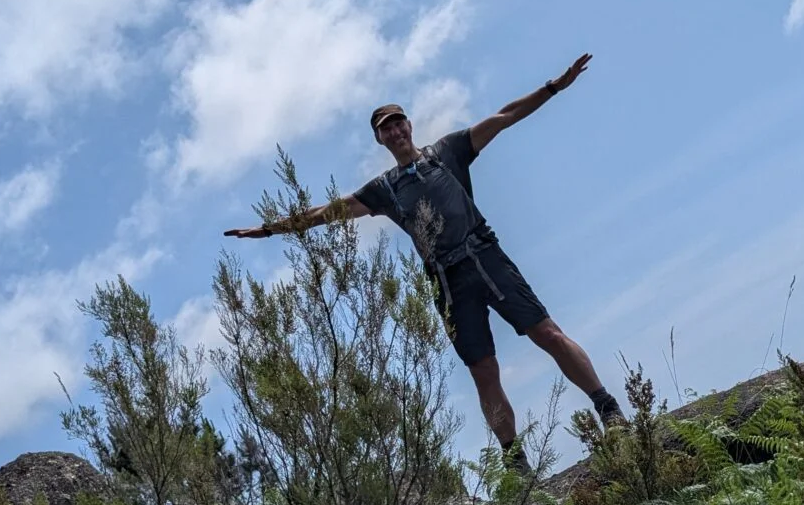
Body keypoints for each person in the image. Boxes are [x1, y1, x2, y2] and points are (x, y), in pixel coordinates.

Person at [224, 54, 626, 471]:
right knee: (483, 371)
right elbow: (327, 213)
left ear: (409, 125)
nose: (395, 131)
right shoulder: (383, 189)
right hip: (447, 282)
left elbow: (504, 116)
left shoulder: (448, 151)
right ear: (380, 140)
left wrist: (554, 87)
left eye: (398, 122)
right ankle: (515, 464)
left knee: (548, 334)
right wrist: (269, 229)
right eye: (386, 128)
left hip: (483, 255)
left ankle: (608, 408)